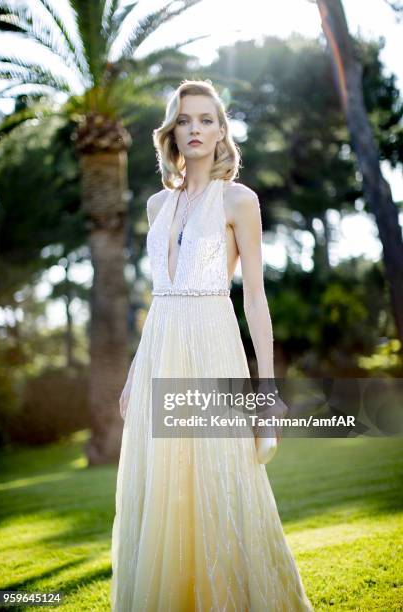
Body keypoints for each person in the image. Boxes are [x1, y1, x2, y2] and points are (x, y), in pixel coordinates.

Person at [111, 79, 314, 611]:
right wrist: (135, 374)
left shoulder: (239, 200)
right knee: (164, 490)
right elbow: (158, 298)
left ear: (222, 131)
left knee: (220, 481)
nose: (195, 129)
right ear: (171, 132)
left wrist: (265, 391)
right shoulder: (157, 205)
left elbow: (255, 302)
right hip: (160, 348)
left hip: (212, 343)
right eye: (184, 119)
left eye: (206, 119)